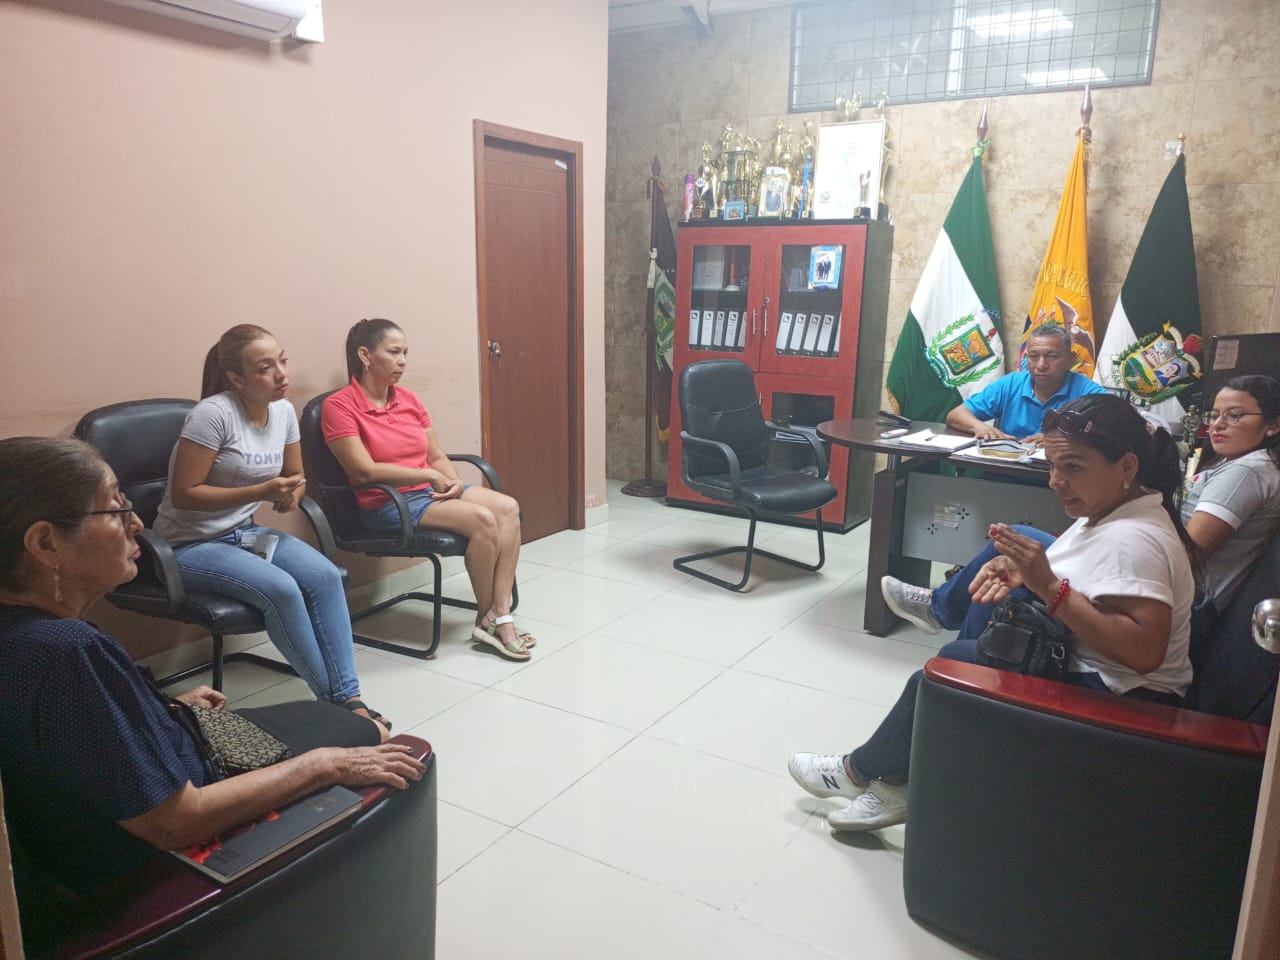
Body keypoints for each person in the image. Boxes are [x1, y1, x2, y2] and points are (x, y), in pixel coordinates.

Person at [0, 437, 426, 936]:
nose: (135, 524)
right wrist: (324, 765)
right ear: (45, 543)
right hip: (163, 835)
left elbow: (67, 737)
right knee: (369, 735)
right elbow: (175, 820)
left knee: (346, 724)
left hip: (167, 757)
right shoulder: (66, 651)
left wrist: (154, 707)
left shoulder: (28, 637)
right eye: (116, 508)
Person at [790, 393, 1193, 832]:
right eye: (1053, 466)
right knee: (1001, 581)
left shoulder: (1133, 541)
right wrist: (1028, 573)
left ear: (1127, 466)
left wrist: (1048, 586)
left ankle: (863, 773)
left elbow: (1145, 654)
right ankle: (939, 649)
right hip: (1094, 664)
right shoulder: (1116, 508)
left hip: (1118, 695)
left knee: (946, 667)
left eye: (1074, 468)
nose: (1056, 481)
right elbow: (1091, 579)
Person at [884, 374, 1280, 638]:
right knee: (1016, 547)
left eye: (1235, 416)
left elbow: (1187, 553)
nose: (1218, 425)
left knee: (1017, 551)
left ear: (1273, 424)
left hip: (1189, 602)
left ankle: (950, 632)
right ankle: (950, 628)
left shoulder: (1246, 473)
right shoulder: (1235, 464)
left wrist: (1065, 571)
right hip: (1169, 584)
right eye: (1215, 415)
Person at [153, 325, 387, 728]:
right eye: (265, 368)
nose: (281, 374)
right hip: (188, 543)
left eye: (283, 361)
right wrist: (262, 491)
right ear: (236, 377)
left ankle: (349, 696)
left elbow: (295, 475)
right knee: (282, 589)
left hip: (242, 534)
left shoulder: (282, 411)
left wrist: (291, 494)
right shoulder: (212, 415)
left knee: (326, 576)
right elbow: (185, 494)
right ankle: (339, 706)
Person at [321, 318, 532, 661]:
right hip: (387, 503)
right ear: (365, 355)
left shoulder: (409, 399)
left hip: (428, 490)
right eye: (394, 352)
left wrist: (450, 480)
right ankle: (487, 618)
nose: (403, 361)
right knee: (483, 519)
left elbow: (436, 455)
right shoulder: (339, 406)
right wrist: (428, 476)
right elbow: (363, 471)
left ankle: (500, 614)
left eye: (405, 352)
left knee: (507, 508)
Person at [946, 323, 1107, 442]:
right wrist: (980, 427)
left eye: (1052, 356)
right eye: (1033, 356)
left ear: (1070, 360)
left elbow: (1113, 431)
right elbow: (956, 415)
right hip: (1007, 470)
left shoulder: (1088, 392)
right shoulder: (1010, 384)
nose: (1041, 365)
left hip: (1060, 474)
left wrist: (1060, 439)